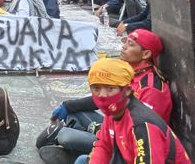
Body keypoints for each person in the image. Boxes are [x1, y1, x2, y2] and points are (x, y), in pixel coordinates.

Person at [39, 30, 174, 163]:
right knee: (73, 114)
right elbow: (105, 137)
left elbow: (142, 138)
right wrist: (68, 106)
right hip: (118, 133)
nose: (124, 46)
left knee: (66, 136)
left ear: (146, 54)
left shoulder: (150, 90)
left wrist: (99, 130)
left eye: (131, 44)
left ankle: (74, 152)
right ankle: (79, 149)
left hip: (133, 145)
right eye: (125, 41)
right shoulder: (129, 73)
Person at [74, 58, 190, 164]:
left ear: (127, 90)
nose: (102, 95)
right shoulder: (113, 113)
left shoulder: (142, 125)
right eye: (96, 88)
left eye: (110, 88)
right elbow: (104, 146)